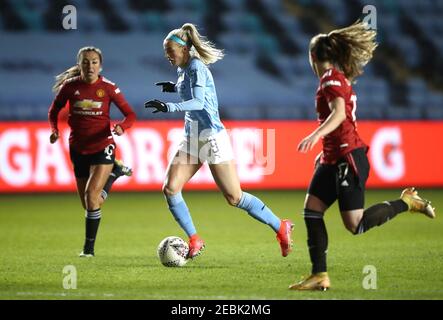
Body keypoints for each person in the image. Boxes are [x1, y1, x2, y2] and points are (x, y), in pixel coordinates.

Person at [289, 21, 436, 291]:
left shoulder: (331, 78)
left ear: (312, 57)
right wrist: (324, 153)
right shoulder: (333, 77)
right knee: (312, 211)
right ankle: (319, 275)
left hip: (348, 157)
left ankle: (407, 202)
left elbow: (339, 114)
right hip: (333, 158)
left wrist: (315, 136)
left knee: (355, 225)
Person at [144, 23, 293, 259]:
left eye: (170, 51)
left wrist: (169, 106)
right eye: (166, 52)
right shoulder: (183, 69)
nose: (167, 56)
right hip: (192, 135)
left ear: (184, 50)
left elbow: (199, 103)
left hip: (212, 136)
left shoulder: (196, 67)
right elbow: (191, 91)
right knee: (171, 188)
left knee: (234, 197)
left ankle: (280, 225)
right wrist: (174, 88)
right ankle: (195, 239)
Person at [48, 46, 136, 257]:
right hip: (78, 147)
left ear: (100, 65)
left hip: (103, 145)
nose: (90, 65)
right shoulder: (70, 87)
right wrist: (54, 130)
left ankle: (88, 250)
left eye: (94, 61)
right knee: (89, 203)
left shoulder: (108, 88)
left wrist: (122, 127)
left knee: (90, 196)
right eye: (85, 62)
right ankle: (114, 174)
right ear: (79, 65)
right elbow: (54, 110)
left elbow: (130, 114)